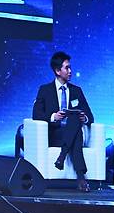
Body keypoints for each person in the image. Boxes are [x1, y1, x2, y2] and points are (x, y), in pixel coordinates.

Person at [33, 51, 95, 192]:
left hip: (71, 133)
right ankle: (81, 177)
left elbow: (90, 116)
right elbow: (36, 114)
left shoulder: (77, 91)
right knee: (76, 134)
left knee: (74, 120)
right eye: (67, 68)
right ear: (57, 70)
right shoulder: (45, 90)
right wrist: (54, 116)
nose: (70, 71)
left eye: (70, 67)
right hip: (54, 134)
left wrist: (83, 118)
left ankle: (62, 156)